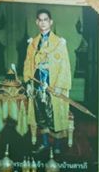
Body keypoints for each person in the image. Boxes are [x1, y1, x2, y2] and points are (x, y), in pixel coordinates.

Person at [23, 8, 73, 152]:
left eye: (46, 20)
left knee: (54, 115)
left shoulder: (59, 43)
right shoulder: (33, 43)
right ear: (36, 22)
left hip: (53, 84)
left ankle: (56, 146)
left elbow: (64, 65)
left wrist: (59, 85)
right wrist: (28, 82)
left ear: (50, 22)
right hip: (37, 83)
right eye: (40, 20)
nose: (43, 23)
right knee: (40, 114)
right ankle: (45, 143)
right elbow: (28, 63)